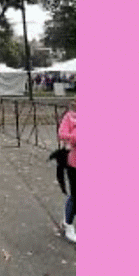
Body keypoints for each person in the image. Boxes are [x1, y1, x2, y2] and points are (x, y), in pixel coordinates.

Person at [57, 101, 77, 243]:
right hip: (75, 162)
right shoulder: (71, 116)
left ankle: (66, 219)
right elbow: (62, 134)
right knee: (76, 195)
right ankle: (68, 225)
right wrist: (76, 137)